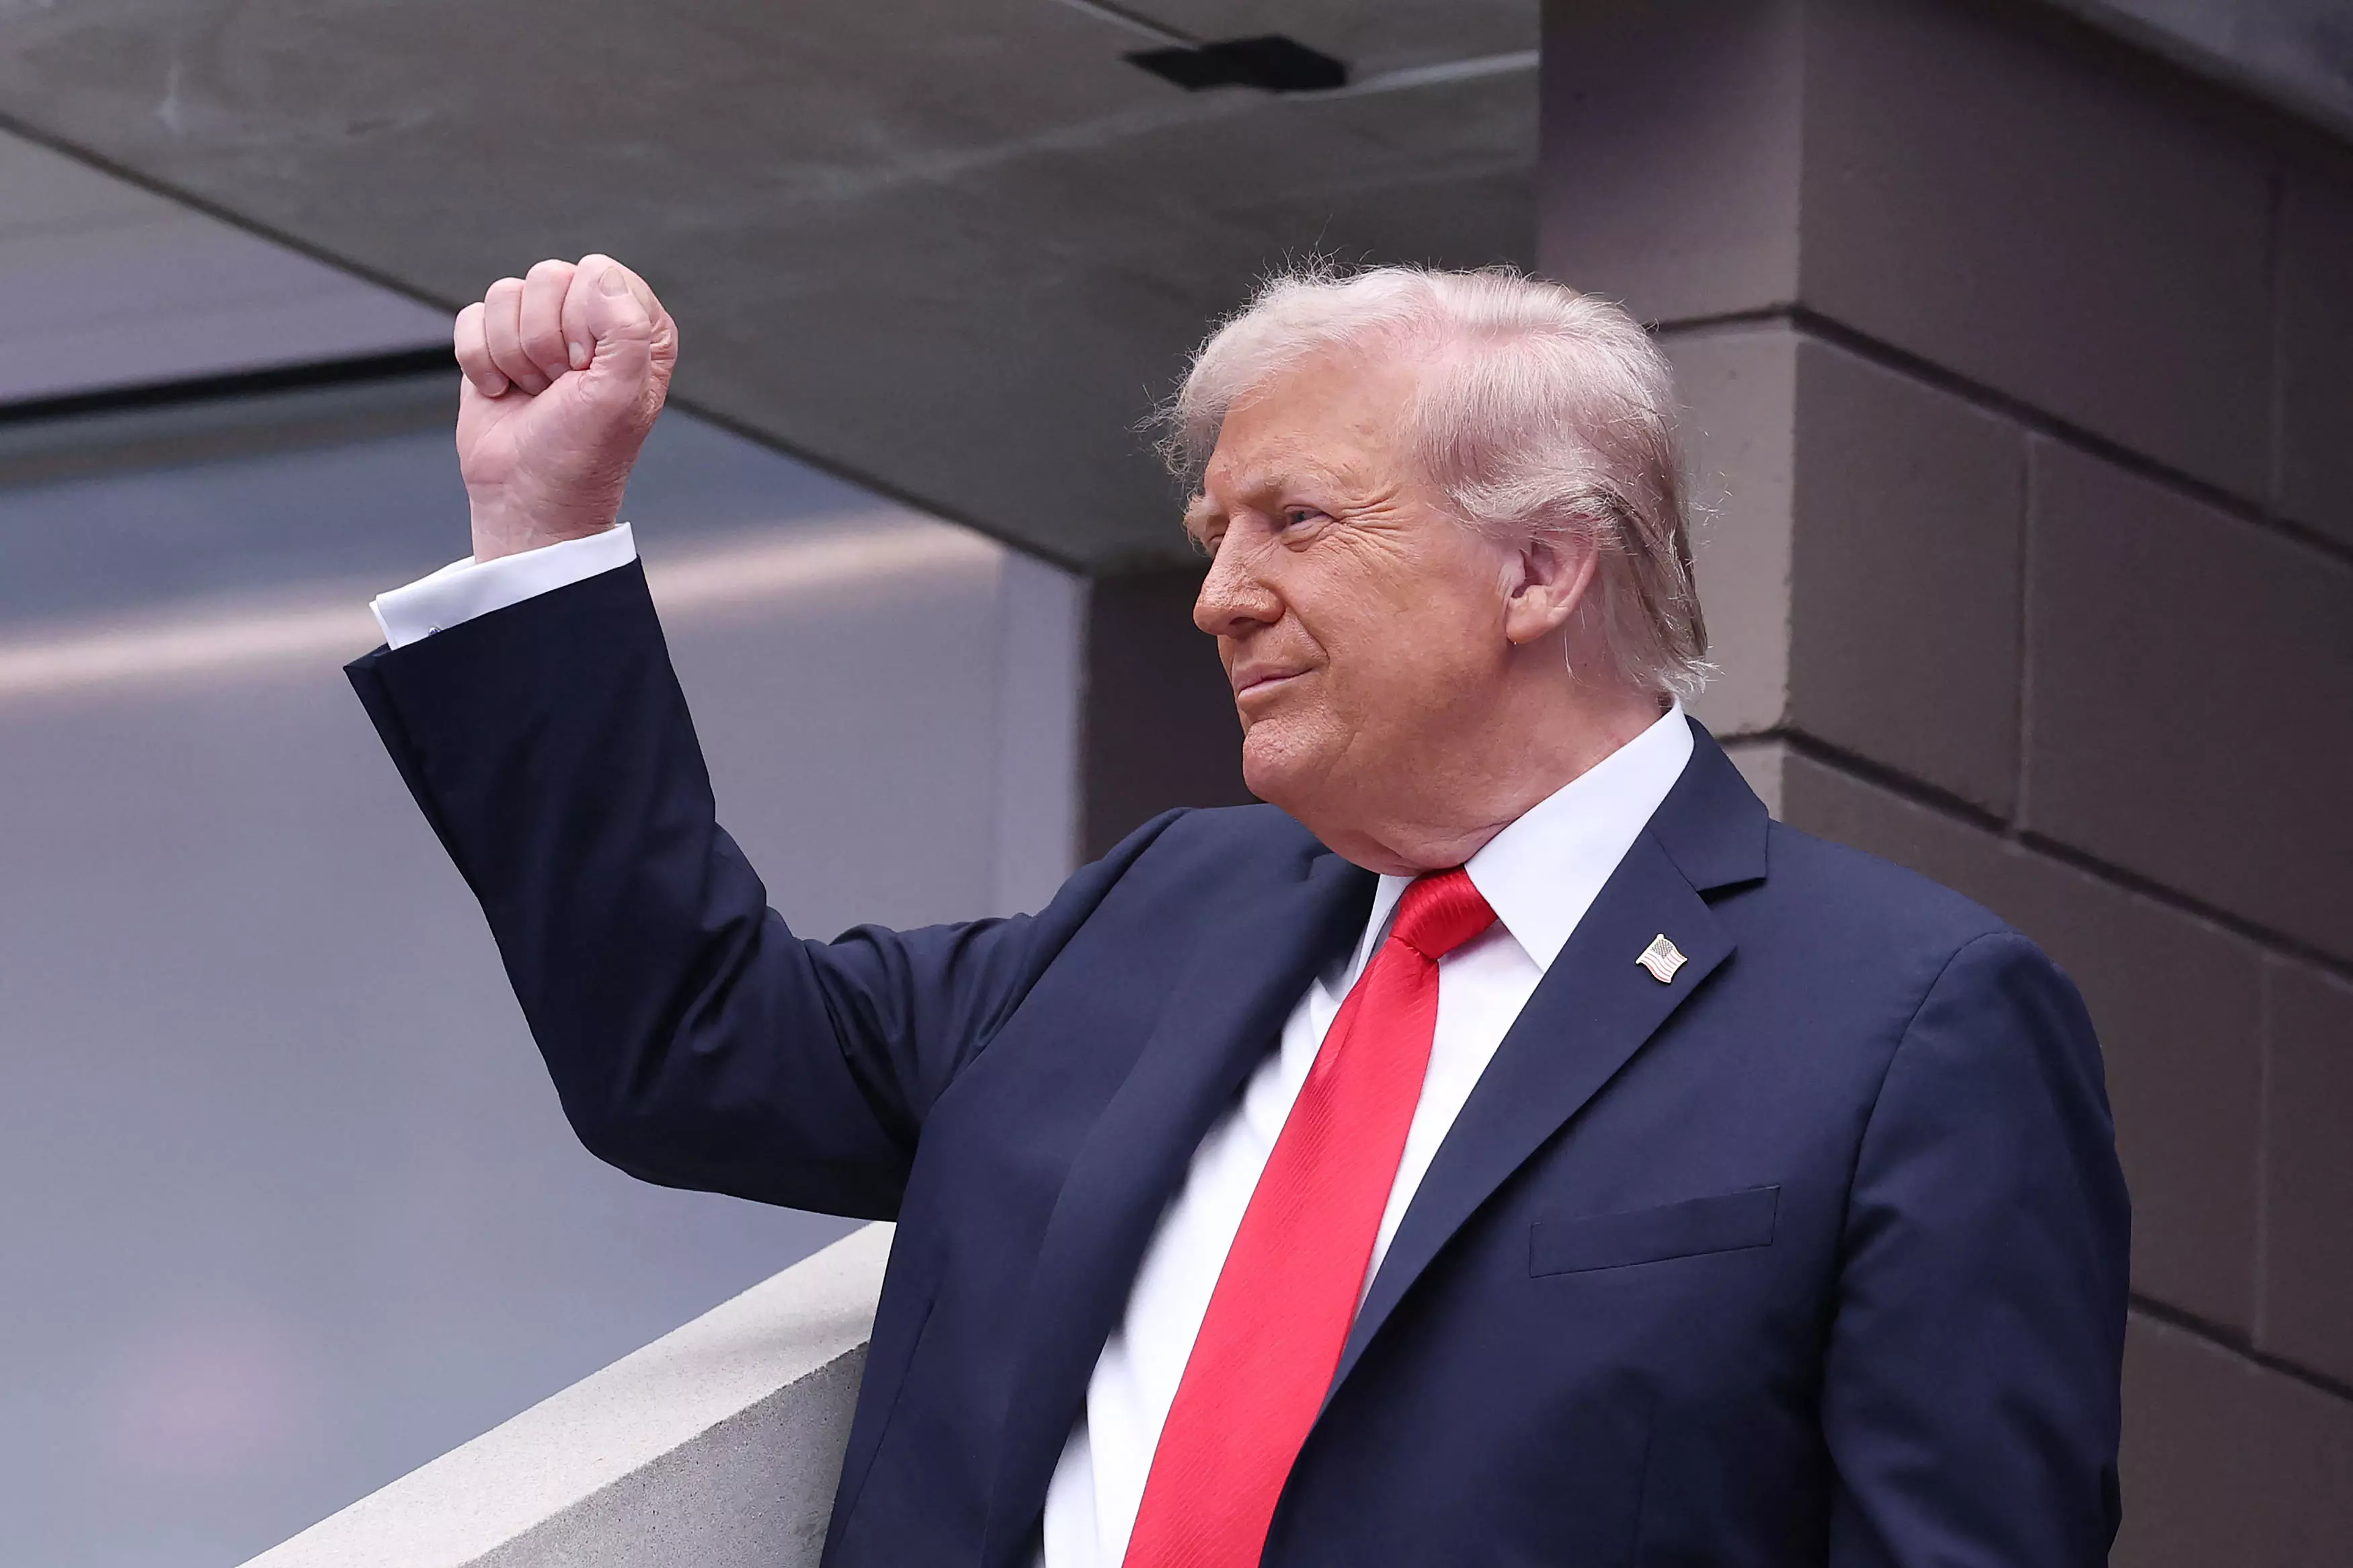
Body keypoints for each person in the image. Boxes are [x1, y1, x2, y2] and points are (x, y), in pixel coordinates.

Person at [349, 254, 2129, 1567]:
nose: (1217, 596)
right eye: (1211, 532)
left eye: (1292, 521)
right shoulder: (1157, 913)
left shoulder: (1901, 1021)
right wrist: (543, 529)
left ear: (1538, 565)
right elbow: (692, 1045)